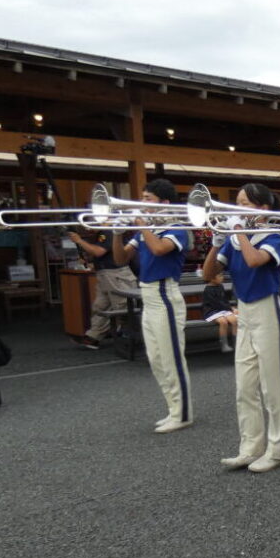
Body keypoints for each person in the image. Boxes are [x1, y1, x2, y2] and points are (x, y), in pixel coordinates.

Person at [202, 183, 280, 473]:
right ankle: (250, 447)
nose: (237, 208)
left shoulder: (274, 237)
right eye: (236, 203)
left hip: (268, 311)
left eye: (245, 204)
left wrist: (237, 229)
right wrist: (216, 243)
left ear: (263, 210)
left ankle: (277, 450)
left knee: (272, 388)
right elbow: (208, 274)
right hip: (244, 312)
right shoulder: (233, 239)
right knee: (244, 387)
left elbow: (254, 261)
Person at [109, 178, 192, 432]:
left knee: (171, 357)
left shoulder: (177, 229)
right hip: (149, 295)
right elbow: (121, 257)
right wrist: (116, 233)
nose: (141, 203)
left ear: (164, 203)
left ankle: (183, 413)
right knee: (156, 358)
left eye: (147, 199)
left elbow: (158, 250)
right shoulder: (145, 229)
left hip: (165, 293)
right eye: (142, 198)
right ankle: (172, 409)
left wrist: (142, 225)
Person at [67, 225, 138, 349]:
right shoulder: (102, 233)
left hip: (116, 274)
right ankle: (93, 337)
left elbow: (99, 251)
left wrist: (79, 241)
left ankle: (133, 337)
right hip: (106, 274)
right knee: (100, 306)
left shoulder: (109, 232)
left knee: (124, 307)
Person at [200, 272, 237, 352]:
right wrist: (230, 309)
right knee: (223, 322)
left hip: (223, 309)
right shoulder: (208, 289)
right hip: (212, 311)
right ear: (212, 278)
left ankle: (236, 343)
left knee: (234, 320)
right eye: (220, 276)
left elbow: (224, 300)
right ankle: (224, 344)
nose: (222, 277)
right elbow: (216, 303)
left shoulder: (220, 286)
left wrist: (231, 308)